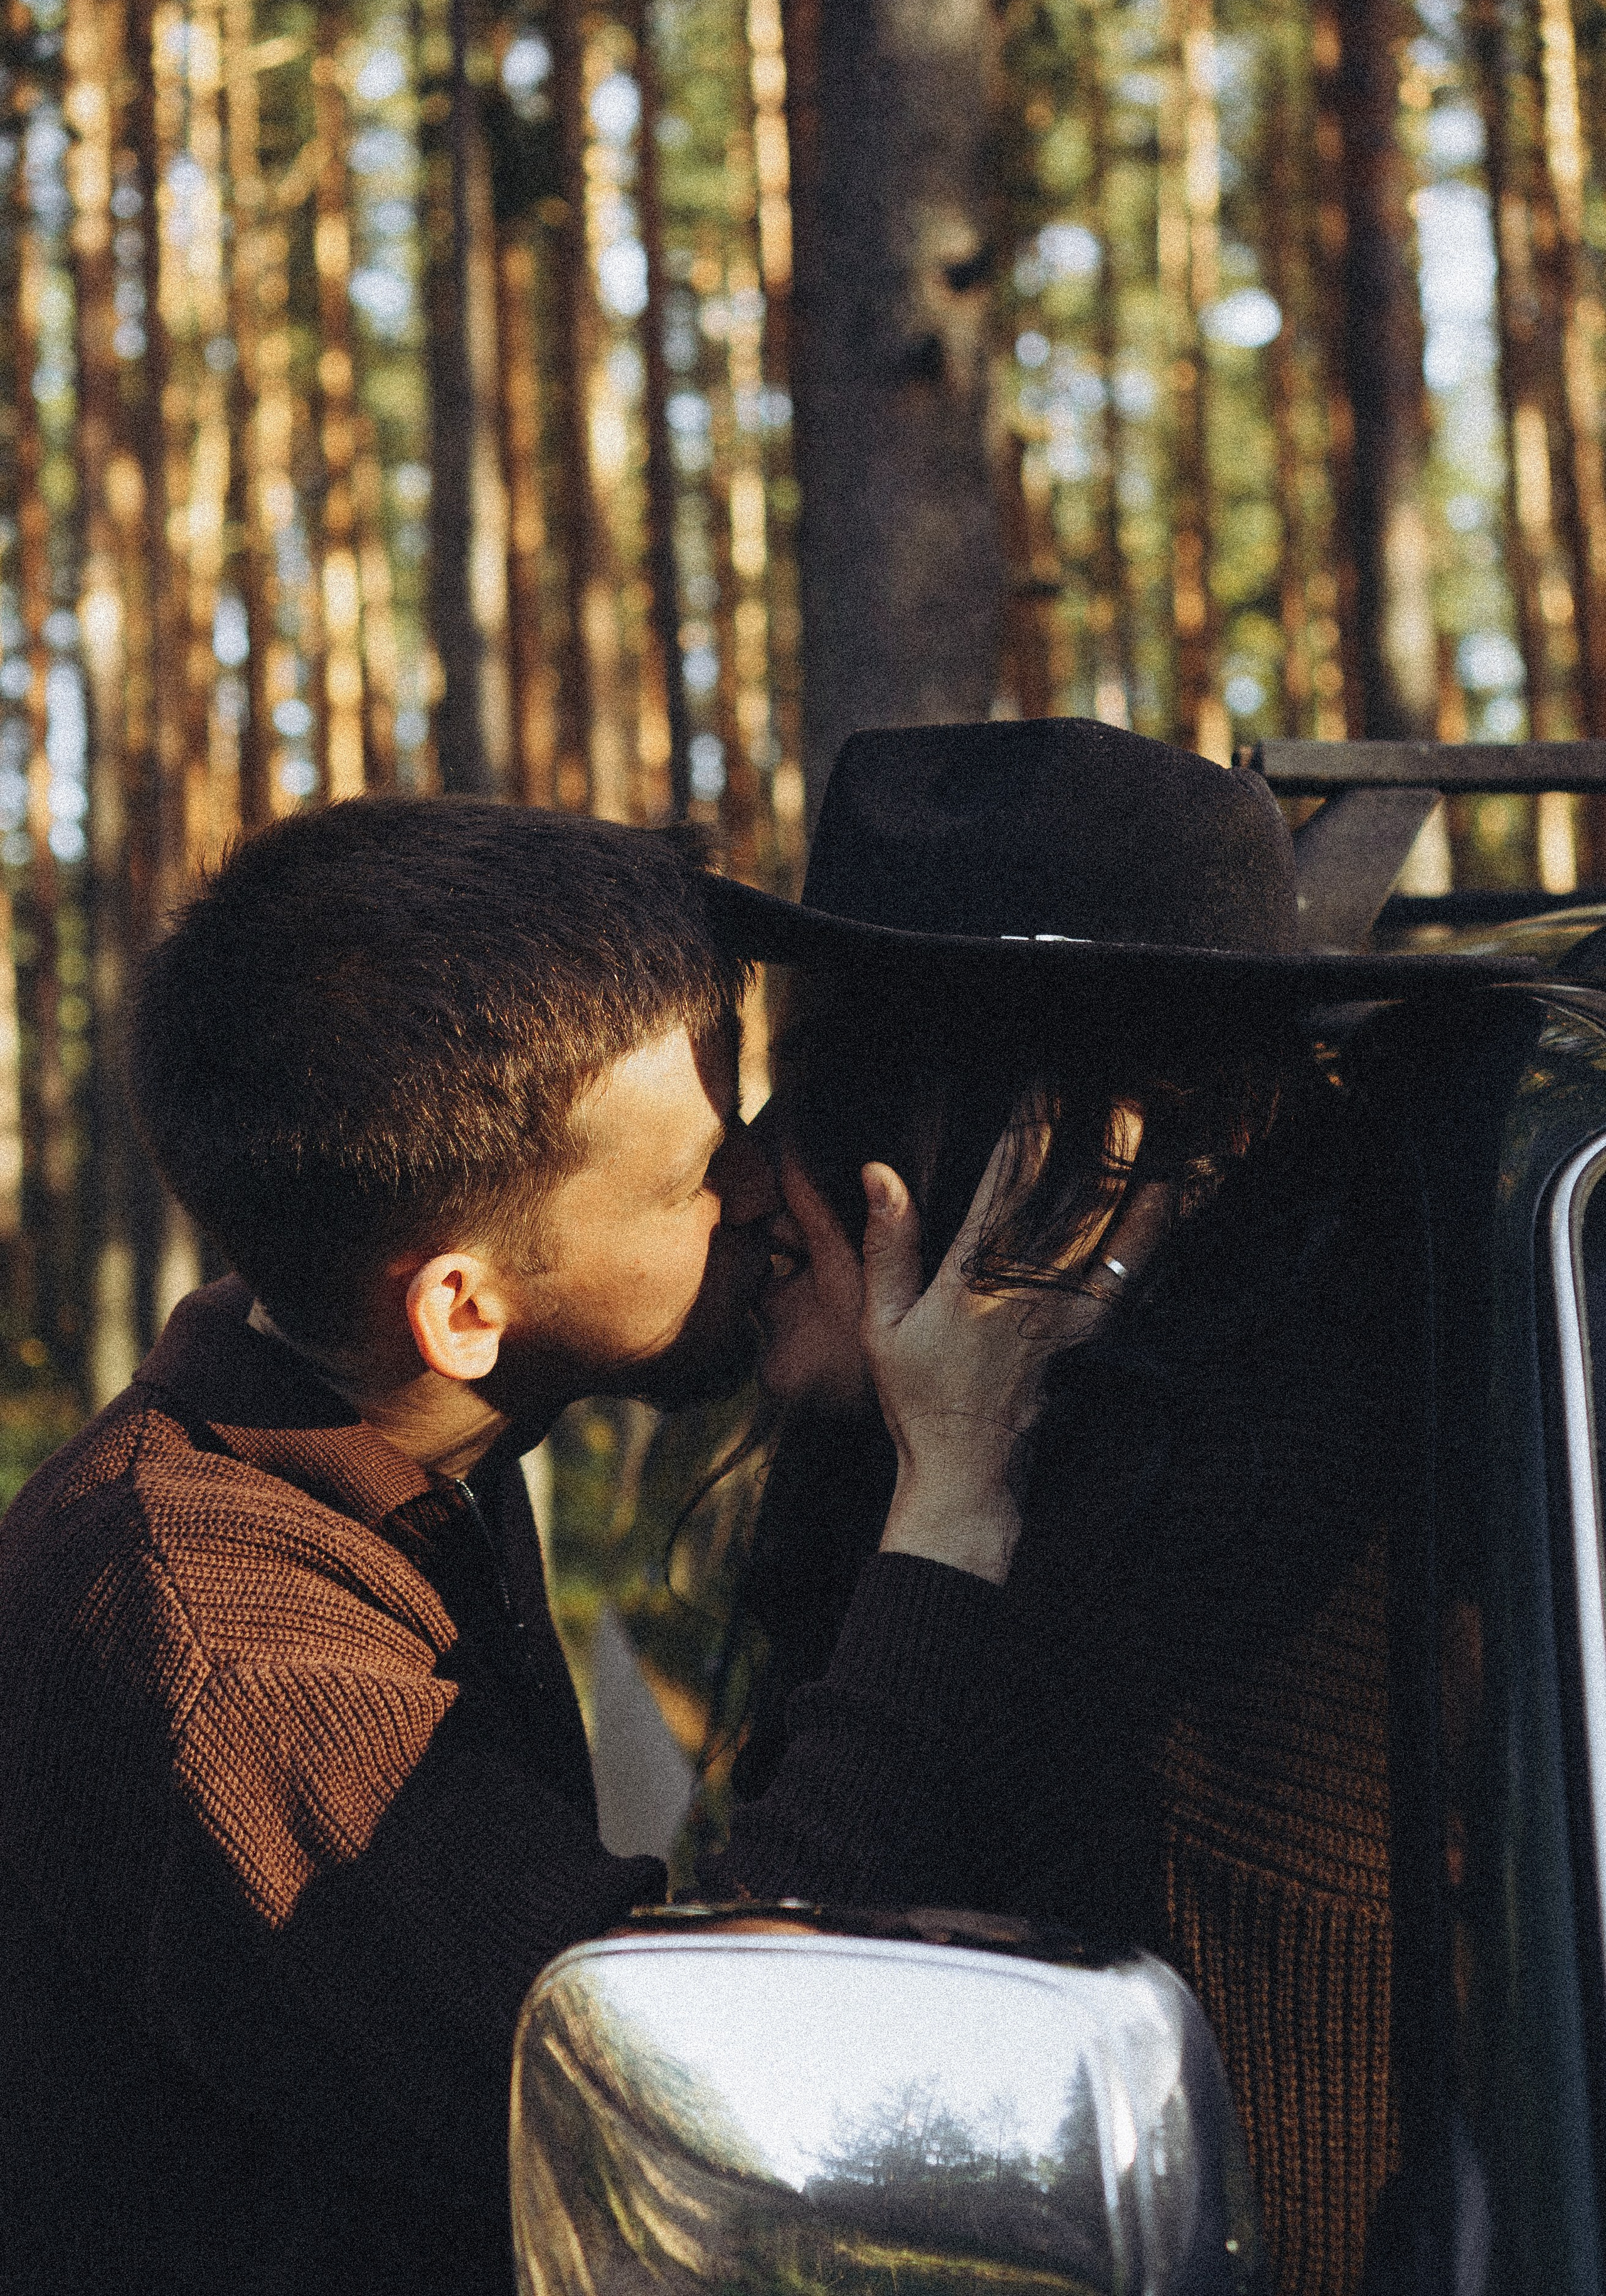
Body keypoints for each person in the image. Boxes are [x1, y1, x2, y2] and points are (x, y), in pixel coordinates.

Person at [0, 795, 1081, 2296]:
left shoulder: (397, 1448)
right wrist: (950, 1510)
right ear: (462, 1307)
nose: (772, 1184)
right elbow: (686, 2113)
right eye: (700, 1174)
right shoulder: (226, 1656)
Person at [699, 720, 1494, 2296]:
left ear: (1087, 1145)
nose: (750, 1166)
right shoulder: (919, 1485)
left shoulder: (1317, 1609)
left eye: (851, 1080)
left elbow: (744, 2101)